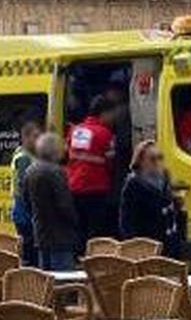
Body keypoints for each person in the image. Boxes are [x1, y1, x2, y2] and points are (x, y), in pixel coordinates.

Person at [22, 132, 79, 272]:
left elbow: (26, 201)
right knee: (64, 279)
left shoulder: (30, 170)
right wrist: (75, 223)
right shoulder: (56, 172)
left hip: (41, 232)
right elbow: (64, 204)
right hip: (61, 235)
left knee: (46, 277)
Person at [66, 94, 118, 248]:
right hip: (96, 189)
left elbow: (69, 155)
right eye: (112, 114)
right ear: (104, 113)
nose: (113, 119)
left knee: (79, 229)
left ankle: (79, 260)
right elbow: (111, 162)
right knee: (95, 232)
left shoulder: (75, 130)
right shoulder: (105, 134)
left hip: (74, 187)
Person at [118, 140, 184, 258]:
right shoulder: (134, 184)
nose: (157, 162)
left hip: (169, 243)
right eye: (153, 159)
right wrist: (133, 245)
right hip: (147, 242)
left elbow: (169, 208)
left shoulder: (165, 178)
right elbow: (126, 218)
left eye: (160, 158)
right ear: (141, 161)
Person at [9, 120, 42, 263]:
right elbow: (25, 187)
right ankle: (29, 283)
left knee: (30, 251)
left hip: (23, 211)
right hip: (24, 213)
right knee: (30, 253)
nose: (39, 140)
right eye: (36, 136)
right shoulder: (24, 158)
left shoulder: (23, 153)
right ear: (26, 137)